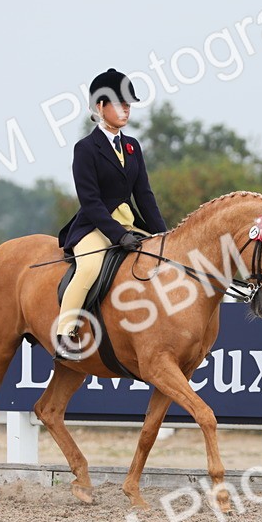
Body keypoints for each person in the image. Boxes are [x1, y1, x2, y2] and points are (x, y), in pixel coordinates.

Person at [53, 68, 167, 361]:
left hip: (130, 225)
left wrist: (164, 234)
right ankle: (66, 333)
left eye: (128, 104)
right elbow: (90, 202)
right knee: (89, 268)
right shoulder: (86, 149)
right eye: (118, 103)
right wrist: (118, 235)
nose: (126, 109)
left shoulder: (133, 146)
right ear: (100, 107)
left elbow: (144, 195)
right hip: (95, 227)